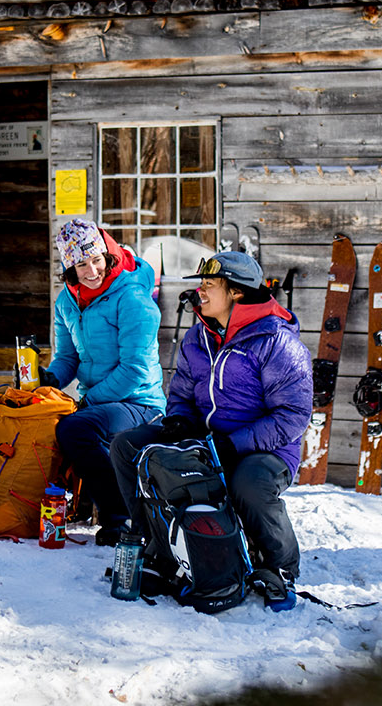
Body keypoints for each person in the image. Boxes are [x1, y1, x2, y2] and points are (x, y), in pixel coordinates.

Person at [109, 251, 312, 609]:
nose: (200, 291)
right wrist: (180, 419)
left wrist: (233, 444)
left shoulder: (277, 343)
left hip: (266, 448)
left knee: (248, 482)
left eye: (209, 284)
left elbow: (293, 416)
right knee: (128, 448)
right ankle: (156, 546)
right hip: (206, 439)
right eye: (201, 284)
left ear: (236, 292)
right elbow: (182, 393)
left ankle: (279, 568)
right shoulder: (198, 337)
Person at [40, 219, 165, 546]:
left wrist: (88, 401)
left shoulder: (131, 297)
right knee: (52, 422)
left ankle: (120, 518)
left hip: (140, 402)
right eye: (81, 264)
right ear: (69, 268)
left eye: (96, 259)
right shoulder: (67, 302)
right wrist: (49, 379)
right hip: (99, 401)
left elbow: (135, 369)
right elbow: (67, 358)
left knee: (75, 428)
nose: (92, 271)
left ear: (106, 255)